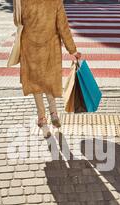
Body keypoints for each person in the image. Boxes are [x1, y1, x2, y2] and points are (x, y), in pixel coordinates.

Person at [14, 0, 82, 138]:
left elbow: (17, 21)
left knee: (35, 83)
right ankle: (54, 113)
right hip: (50, 46)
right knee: (49, 80)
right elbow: (63, 26)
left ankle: (42, 118)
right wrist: (72, 50)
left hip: (30, 45)